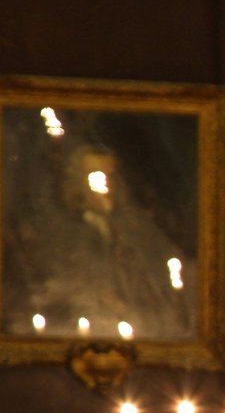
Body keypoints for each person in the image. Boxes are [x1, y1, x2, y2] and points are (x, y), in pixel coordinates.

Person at [2, 141, 192, 340]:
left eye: (111, 177)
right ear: (78, 182)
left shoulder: (133, 229)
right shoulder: (61, 233)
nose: (107, 185)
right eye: (97, 177)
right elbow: (50, 288)